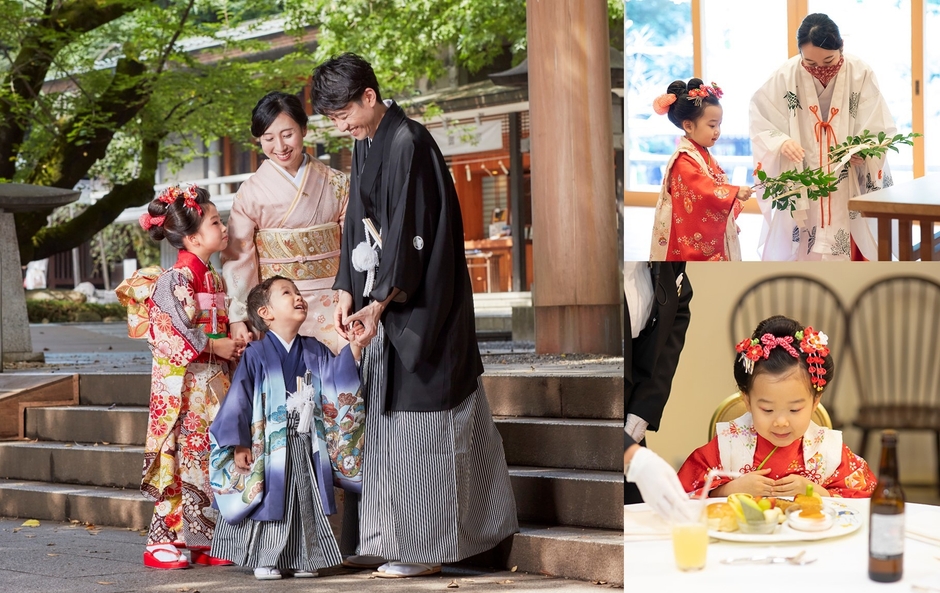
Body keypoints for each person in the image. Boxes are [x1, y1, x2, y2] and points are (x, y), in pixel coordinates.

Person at [310, 52, 518, 579]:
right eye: (332, 120)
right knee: (389, 430)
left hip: (423, 306)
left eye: (343, 115)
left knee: (426, 427)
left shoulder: (409, 142)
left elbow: (414, 233)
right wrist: (345, 289)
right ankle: (396, 539)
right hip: (387, 302)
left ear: (369, 98)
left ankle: (429, 547)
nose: (341, 127)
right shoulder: (368, 143)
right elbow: (357, 221)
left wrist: (380, 300)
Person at [207, 276, 362, 580]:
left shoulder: (313, 349)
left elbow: (335, 379)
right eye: (287, 293)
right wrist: (239, 444)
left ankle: (305, 557)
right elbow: (239, 398)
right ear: (265, 313)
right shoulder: (256, 354)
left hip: (305, 441)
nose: (298, 297)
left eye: (298, 292)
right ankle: (265, 558)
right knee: (268, 497)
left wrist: (354, 348)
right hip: (266, 442)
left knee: (305, 497)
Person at [136, 185, 244, 569]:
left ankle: (205, 538)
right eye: (216, 222)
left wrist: (233, 340)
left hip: (210, 381)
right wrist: (217, 346)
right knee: (183, 459)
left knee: (210, 456)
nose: (224, 227)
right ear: (194, 236)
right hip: (187, 387)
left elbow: (214, 325)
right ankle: (161, 540)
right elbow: (169, 332)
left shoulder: (208, 274)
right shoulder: (176, 278)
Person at [677, 315, 876, 498]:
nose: (781, 422)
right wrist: (729, 490)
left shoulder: (827, 450)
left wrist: (818, 492)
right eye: (768, 410)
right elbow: (681, 493)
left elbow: (865, 498)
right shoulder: (728, 445)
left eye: (795, 409)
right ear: (747, 400)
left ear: (815, 401)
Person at [749, 13, 896, 261]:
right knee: (805, 237)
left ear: (841, 48)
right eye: (811, 63)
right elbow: (761, 116)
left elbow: (876, 122)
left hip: (847, 173)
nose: (820, 71)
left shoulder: (860, 72)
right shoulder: (786, 74)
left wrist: (863, 149)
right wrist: (782, 142)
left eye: (829, 61)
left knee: (851, 231)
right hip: (804, 167)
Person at [222, 91, 350, 353]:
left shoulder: (337, 182)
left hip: (334, 300)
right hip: (275, 310)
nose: (279, 147)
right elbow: (239, 257)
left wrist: (352, 294)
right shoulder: (251, 192)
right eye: (268, 138)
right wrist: (239, 315)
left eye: (287, 134)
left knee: (340, 381)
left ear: (304, 128)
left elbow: (353, 243)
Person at [649, 78, 752, 261]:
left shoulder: (702, 154)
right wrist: (734, 192)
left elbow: (714, 185)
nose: (717, 131)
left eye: (719, 124)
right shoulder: (683, 160)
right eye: (712, 125)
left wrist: (726, 221)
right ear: (688, 125)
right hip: (692, 237)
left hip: (711, 231)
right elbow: (702, 189)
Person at [624, 262, 693, 517]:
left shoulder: (665, 254)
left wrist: (644, 408)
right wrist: (634, 458)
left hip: (633, 399)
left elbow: (678, 304)